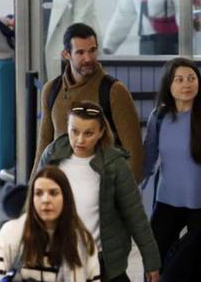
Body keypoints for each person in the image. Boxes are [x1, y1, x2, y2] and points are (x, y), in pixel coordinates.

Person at [39, 101, 161, 282]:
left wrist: (151, 262)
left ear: (101, 132)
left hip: (104, 264)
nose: (80, 140)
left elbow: (135, 216)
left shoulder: (115, 165)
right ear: (67, 128)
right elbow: (33, 206)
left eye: (88, 133)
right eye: (74, 131)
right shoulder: (52, 156)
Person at [142, 57, 201, 264]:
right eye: (180, 80)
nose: (187, 84)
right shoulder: (158, 116)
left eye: (192, 78)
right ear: (169, 85)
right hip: (167, 202)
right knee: (154, 259)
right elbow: (148, 159)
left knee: (198, 264)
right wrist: (134, 190)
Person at [34, 23, 144, 183]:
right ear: (66, 54)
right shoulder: (51, 90)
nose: (88, 58)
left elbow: (134, 152)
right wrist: (33, 193)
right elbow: (44, 143)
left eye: (92, 50)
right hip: (63, 188)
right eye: (80, 52)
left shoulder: (114, 91)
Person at [0, 166, 101, 282]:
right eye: (38, 193)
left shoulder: (83, 240)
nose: (45, 200)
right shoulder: (11, 232)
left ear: (66, 198)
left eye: (53, 193)